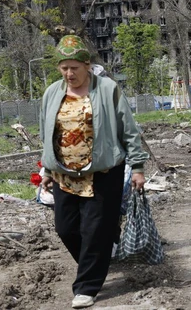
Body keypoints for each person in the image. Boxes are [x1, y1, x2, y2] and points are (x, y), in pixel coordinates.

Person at [39, 35, 148, 309]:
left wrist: (137, 167)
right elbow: (46, 134)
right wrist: (46, 170)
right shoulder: (52, 93)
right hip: (64, 174)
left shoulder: (107, 89)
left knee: (94, 229)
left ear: (87, 65)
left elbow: (129, 130)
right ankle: (98, 258)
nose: (69, 73)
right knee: (65, 229)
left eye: (74, 67)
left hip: (103, 172)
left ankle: (87, 286)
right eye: (64, 67)